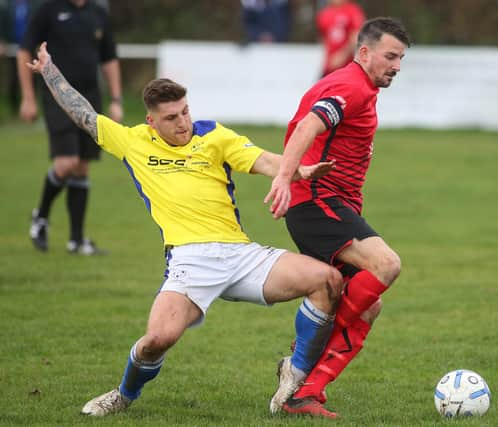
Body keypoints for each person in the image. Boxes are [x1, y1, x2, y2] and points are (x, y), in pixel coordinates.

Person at [25, 41, 344, 417]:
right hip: (189, 261)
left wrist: (296, 171)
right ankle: (124, 394)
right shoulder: (132, 142)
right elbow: (82, 113)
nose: (183, 122)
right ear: (151, 122)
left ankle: (294, 374)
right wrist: (48, 69)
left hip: (240, 254)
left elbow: (263, 160)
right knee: (155, 341)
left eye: (185, 111)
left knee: (328, 281)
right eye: (172, 117)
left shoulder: (214, 136)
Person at [264, 17, 410, 418]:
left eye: (401, 58)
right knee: (386, 264)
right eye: (390, 56)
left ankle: (303, 392)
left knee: (368, 307)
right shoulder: (349, 87)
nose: (397, 66)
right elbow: (309, 125)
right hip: (315, 202)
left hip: (329, 204)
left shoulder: (359, 85)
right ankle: (300, 363)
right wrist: (282, 176)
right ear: (364, 53)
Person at [18, 0, 122, 255]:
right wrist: (28, 97)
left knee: (82, 166)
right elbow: (24, 51)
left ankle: (76, 241)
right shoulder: (48, 9)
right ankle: (40, 216)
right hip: (56, 97)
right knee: (67, 162)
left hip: (90, 97)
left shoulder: (98, 13)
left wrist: (117, 100)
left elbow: (109, 58)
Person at [0, 0, 41, 115]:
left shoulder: (34, 5)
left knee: (33, 77)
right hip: (12, 47)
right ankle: (15, 108)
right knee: (13, 79)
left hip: (31, 46)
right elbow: (3, 24)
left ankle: (33, 104)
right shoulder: (7, 6)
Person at [316, 0, 365, 77]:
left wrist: (343, 55)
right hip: (330, 65)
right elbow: (324, 38)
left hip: (347, 65)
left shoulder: (352, 10)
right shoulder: (324, 13)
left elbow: (356, 36)